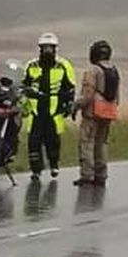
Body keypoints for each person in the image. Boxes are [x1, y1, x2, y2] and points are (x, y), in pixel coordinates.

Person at [21, 32, 76, 179]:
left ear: (55, 48)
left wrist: (68, 104)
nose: (47, 51)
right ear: (39, 48)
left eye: (50, 48)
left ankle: (54, 164)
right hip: (35, 109)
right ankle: (36, 170)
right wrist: (25, 98)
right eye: (44, 48)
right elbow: (23, 85)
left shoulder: (63, 65)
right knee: (34, 141)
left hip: (54, 108)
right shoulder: (31, 65)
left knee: (53, 140)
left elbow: (70, 86)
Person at [72, 39, 120, 187]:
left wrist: (76, 106)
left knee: (86, 143)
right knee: (102, 144)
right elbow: (117, 97)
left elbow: (87, 94)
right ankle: (101, 175)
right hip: (108, 113)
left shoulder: (93, 70)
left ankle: (87, 176)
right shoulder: (114, 70)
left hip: (92, 114)